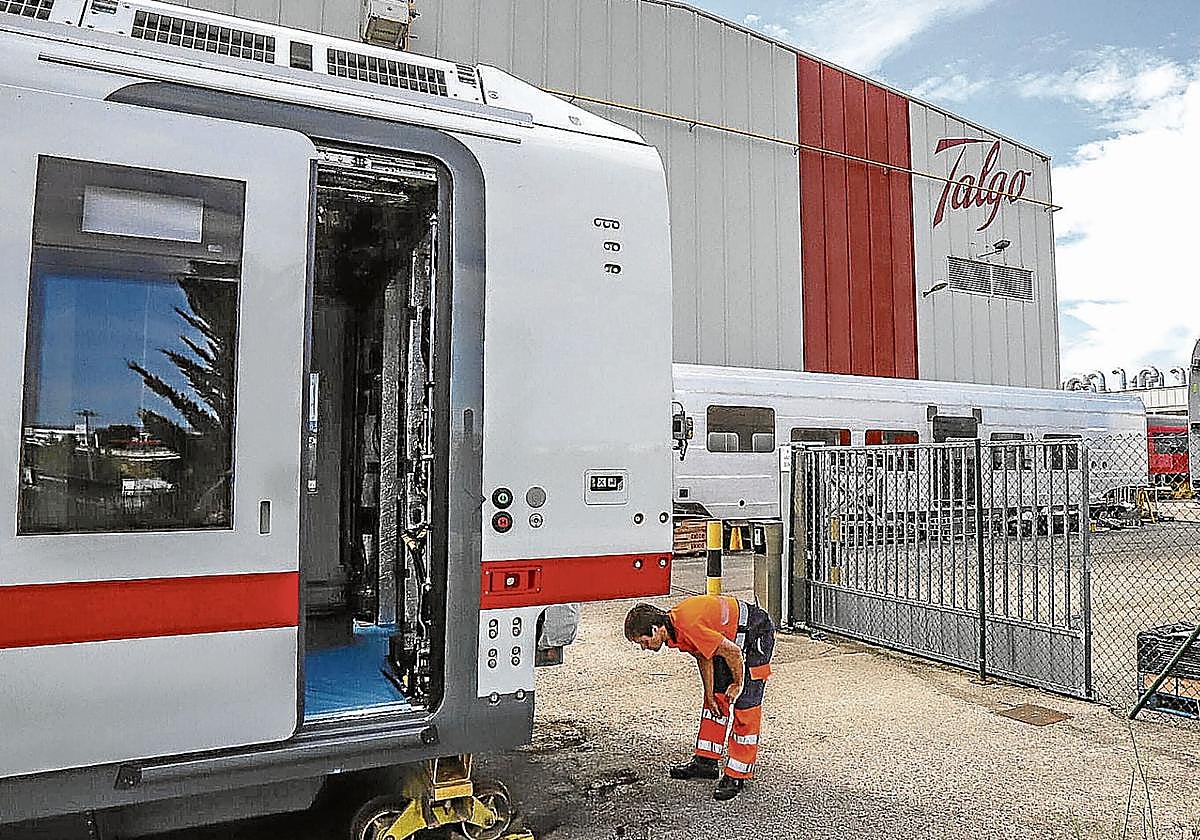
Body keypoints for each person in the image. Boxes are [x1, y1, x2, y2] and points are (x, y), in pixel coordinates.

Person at [624, 595, 775, 801]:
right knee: (715, 699)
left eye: (643, 642)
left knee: (745, 705)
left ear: (654, 629)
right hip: (731, 641)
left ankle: (737, 774)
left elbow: (733, 652)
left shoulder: (688, 626)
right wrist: (710, 693)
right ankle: (706, 762)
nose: (644, 647)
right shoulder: (676, 631)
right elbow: (704, 656)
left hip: (755, 633)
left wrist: (738, 684)